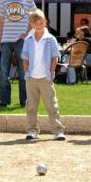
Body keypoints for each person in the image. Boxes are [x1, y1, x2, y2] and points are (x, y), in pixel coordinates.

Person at [0, 0, 37, 108]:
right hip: (5, 40)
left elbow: (34, 18)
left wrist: (27, 34)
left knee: (23, 71)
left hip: (22, 41)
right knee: (4, 72)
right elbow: (0, 22)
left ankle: (24, 101)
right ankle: (4, 101)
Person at [21, 9, 65, 141]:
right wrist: (27, 74)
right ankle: (32, 130)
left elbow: (54, 58)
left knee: (52, 105)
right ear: (31, 24)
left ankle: (58, 131)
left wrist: (51, 74)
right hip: (31, 78)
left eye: (41, 22)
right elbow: (25, 58)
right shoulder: (28, 39)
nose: (39, 25)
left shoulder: (50, 39)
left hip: (45, 78)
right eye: (36, 23)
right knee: (31, 106)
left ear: (45, 22)